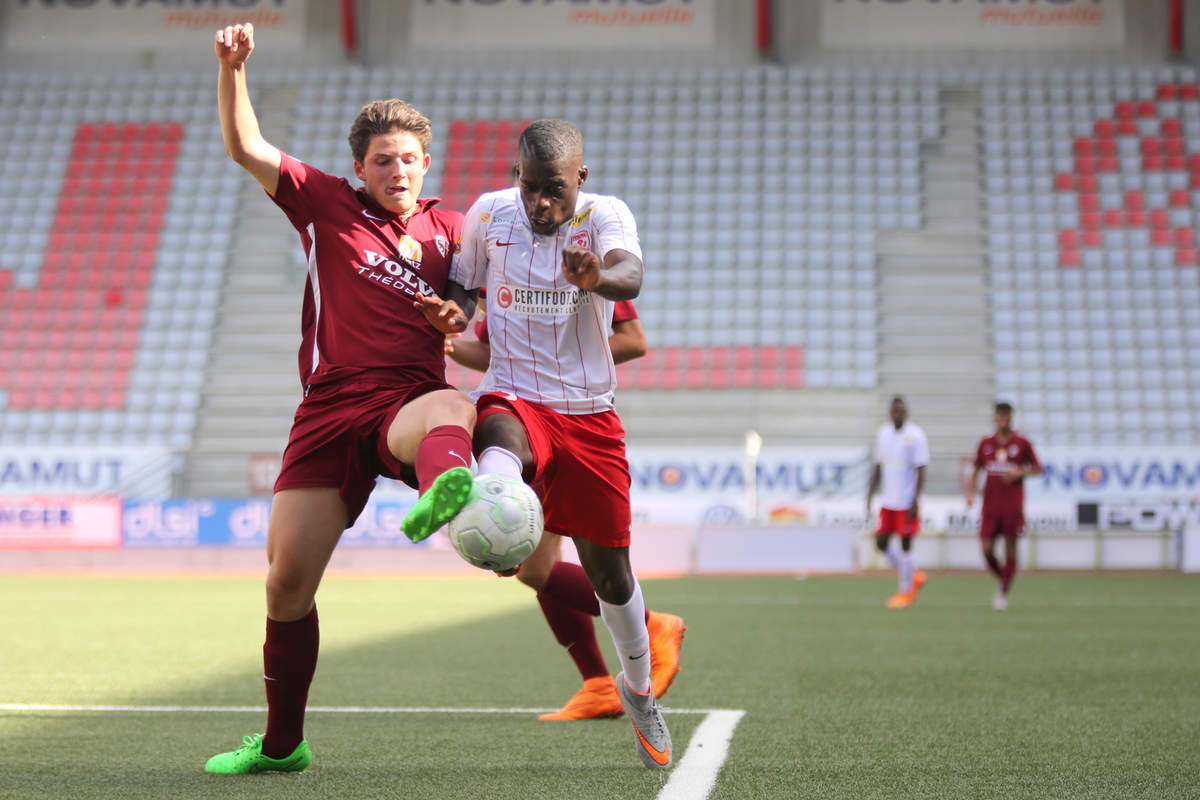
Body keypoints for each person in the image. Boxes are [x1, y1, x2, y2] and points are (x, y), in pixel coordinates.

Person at [205, 23, 477, 775]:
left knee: (453, 409)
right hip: (327, 410)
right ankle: (283, 745)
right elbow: (246, 148)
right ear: (360, 167)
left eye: (409, 159)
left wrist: (457, 316)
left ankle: (443, 486)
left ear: (428, 164)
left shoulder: (458, 229)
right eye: (383, 159)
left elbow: (471, 304)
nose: (398, 169)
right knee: (286, 584)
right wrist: (233, 72)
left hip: (405, 402)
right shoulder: (326, 203)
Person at [425, 118, 674, 769]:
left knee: (612, 576)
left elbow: (631, 277)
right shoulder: (490, 216)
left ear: (580, 180)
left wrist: (596, 278)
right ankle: (484, 487)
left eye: (554, 190)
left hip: (588, 415)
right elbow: (463, 289)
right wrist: (452, 312)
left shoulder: (604, 217)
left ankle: (638, 689)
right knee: (498, 421)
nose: (540, 203)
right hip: (516, 397)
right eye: (530, 186)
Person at [447, 300, 687, 721]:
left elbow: (634, 341)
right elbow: (494, 355)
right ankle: (596, 683)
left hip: (569, 418)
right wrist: (450, 345)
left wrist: (560, 364)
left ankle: (649, 626)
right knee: (536, 568)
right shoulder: (502, 260)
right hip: (525, 415)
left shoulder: (584, 259)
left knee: (542, 569)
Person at [965, 402, 1043, 611]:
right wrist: (970, 493)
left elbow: (1038, 468)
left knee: (1010, 548)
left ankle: (1002, 592)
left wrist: (1020, 473)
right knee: (986, 549)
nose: (1003, 421)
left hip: (1012, 504)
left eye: (1006, 418)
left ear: (1011, 419)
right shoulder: (986, 443)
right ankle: (1004, 579)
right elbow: (976, 469)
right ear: (995, 419)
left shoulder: (1022, 443)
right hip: (990, 505)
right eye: (999, 417)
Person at [865, 396, 930, 609]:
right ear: (890, 412)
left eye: (901, 411)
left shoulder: (916, 435)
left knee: (905, 545)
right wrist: (869, 495)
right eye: (895, 411)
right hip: (888, 500)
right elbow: (878, 466)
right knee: (881, 543)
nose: (898, 414)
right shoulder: (883, 434)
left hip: (906, 501)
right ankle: (912, 575)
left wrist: (915, 500)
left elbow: (921, 469)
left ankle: (905, 593)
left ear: (907, 412)